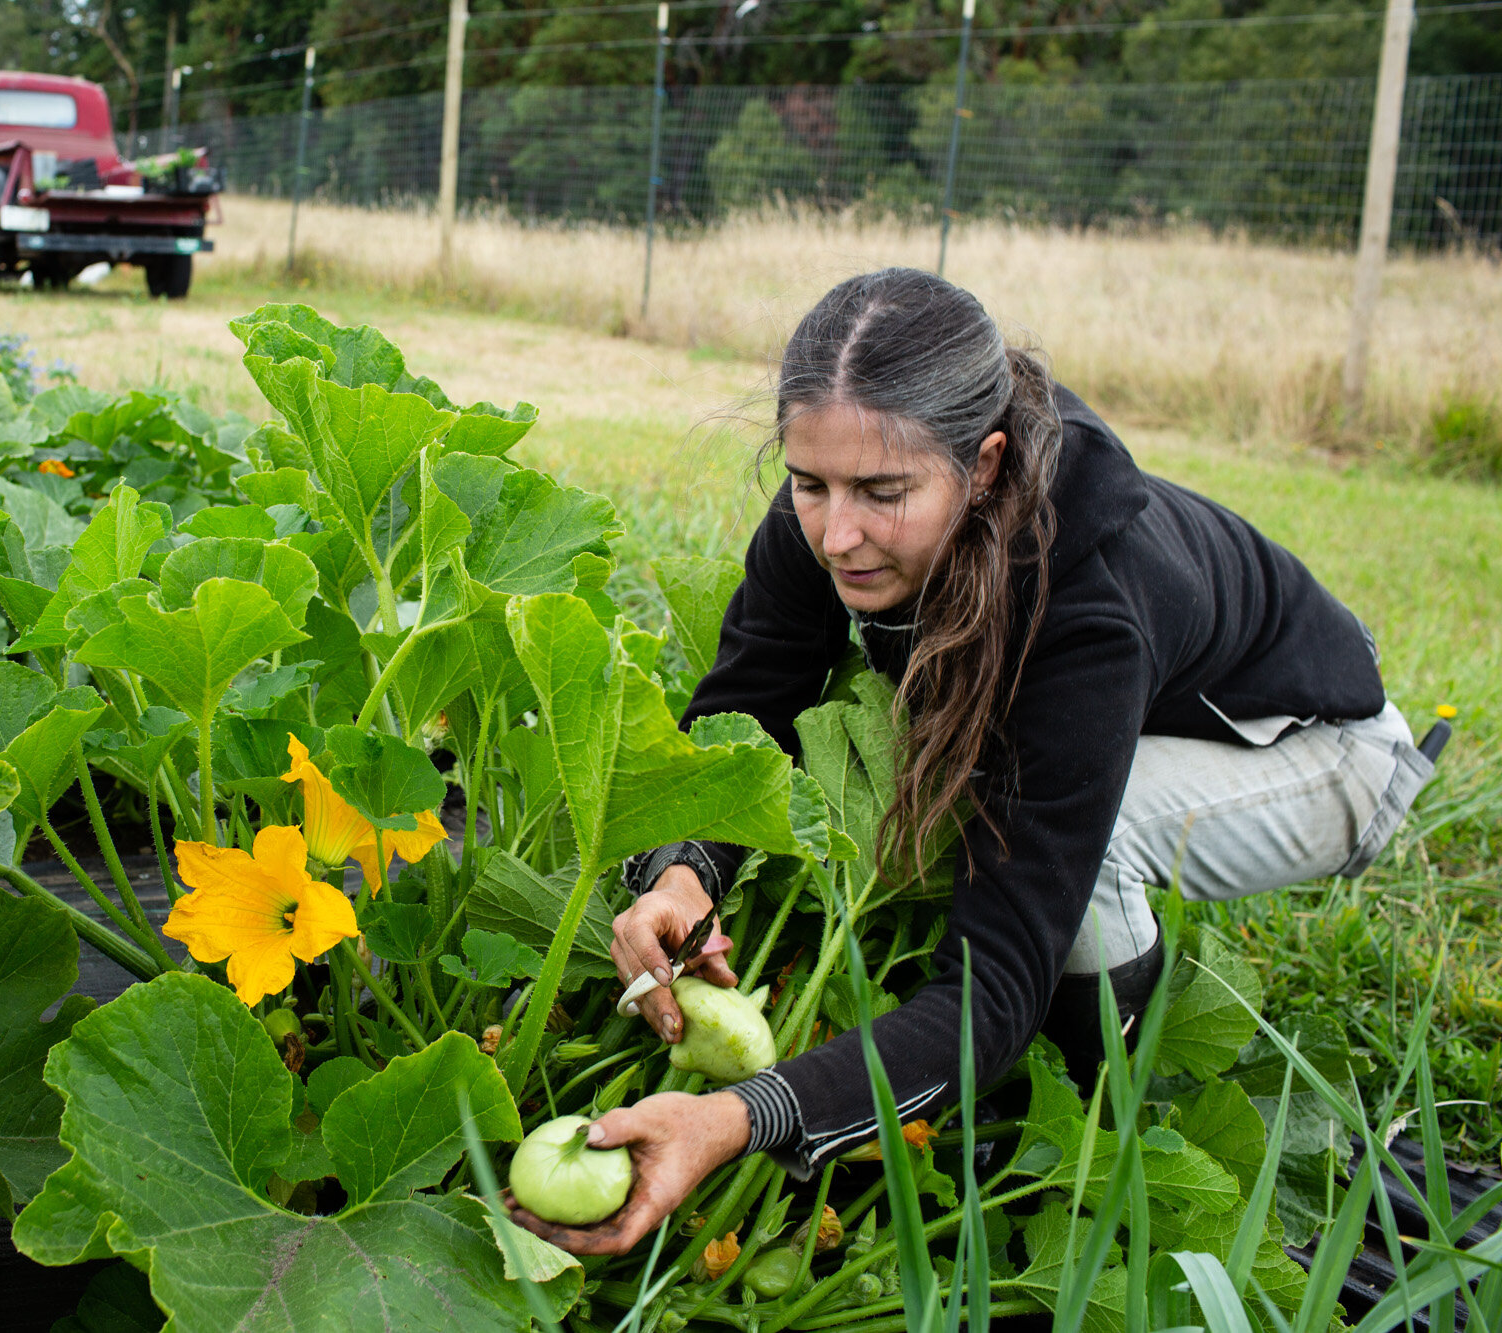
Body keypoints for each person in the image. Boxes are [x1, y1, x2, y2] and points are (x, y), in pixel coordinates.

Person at [508, 267, 1439, 1256]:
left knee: (1072, 868)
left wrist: (742, 1115)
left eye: (880, 493)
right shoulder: (833, 507)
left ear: (985, 463)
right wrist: (682, 871)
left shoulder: (1089, 608)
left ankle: (1096, 1122)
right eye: (806, 483)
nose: (835, 532)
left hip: (1316, 754)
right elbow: (746, 709)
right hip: (1151, 712)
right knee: (979, 810)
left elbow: (988, 985)